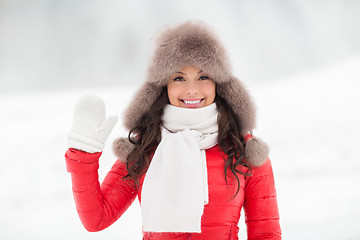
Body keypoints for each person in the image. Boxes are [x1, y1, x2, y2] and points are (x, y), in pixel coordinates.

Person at [65, 20, 281, 240]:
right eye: (178, 78)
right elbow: (97, 219)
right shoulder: (145, 147)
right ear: (163, 86)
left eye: (203, 76)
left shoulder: (244, 150)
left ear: (219, 83)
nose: (191, 89)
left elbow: (266, 234)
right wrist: (84, 155)